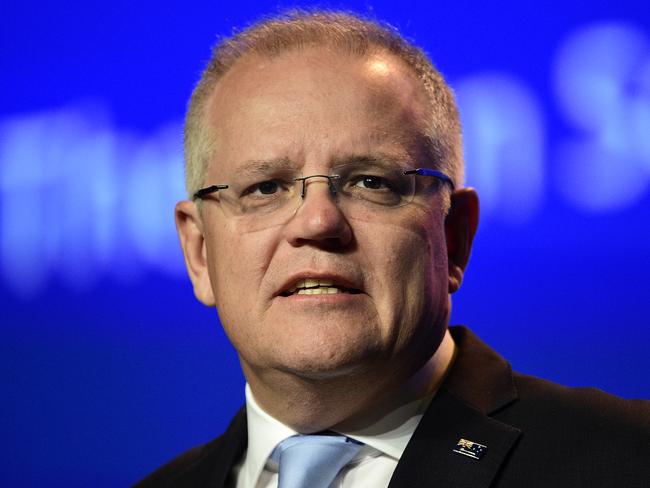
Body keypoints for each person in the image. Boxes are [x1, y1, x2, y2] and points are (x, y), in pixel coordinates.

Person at [136, 10, 650, 488]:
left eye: (370, 182)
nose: (317, 222)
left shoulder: (626, 459)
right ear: (199, 252)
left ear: (453, 235)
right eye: (266, 188)